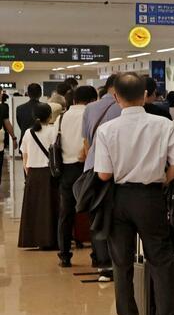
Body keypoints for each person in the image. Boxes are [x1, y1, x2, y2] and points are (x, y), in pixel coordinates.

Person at [94, 73, 174, 315]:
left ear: (116, 97)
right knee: (161, 259)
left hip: (119, 199)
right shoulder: (162, 124)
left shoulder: (107, 130)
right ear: (145, 94)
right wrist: (161, 180)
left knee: (121, 263)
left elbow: (103, 175)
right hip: (150, 198)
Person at [82, 74, 122, 279]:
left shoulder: (90, 108)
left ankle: (102, 263)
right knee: (118, 216)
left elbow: (87, 142)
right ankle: (120, 262)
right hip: (120, 171)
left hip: (95, 167)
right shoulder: (123, 107)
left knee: (97, 215)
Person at [57, 86, 98, 267]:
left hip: (66, 169)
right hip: (87, 167)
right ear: (93, 100)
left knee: (66, 214)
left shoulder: (61, 117)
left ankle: (65, 255)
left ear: (74, 100)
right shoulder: (90, 115)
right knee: (93, 212)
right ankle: (96, 255)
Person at [18, 102, 64, 250]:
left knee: (34, 208)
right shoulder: (53, 131)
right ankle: (50, 240)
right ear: (50, 116)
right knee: (50, 207)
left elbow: (25, 156)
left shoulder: (27, 133)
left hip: (33, 173)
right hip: (49, 174)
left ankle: (33, 239)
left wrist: (27, 173)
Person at [1, 92, 15, 186]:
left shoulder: (3, 107)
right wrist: (13, 137)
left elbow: (7, 123)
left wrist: (13, 137)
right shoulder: (2, 107)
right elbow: (7, 123)